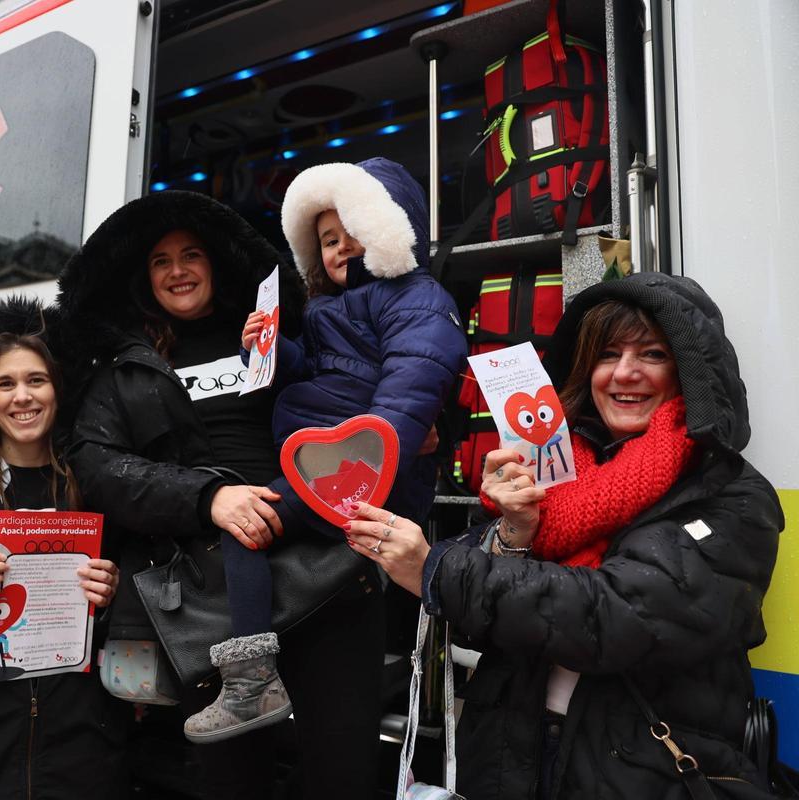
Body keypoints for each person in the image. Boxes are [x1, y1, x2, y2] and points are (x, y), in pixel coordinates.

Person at [345, 272, 784, 799]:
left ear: (688, 370)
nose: (625, 373)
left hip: (644, 774)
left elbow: (618, 618)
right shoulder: (552, 469)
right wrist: (514, 531)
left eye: (651, 354)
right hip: (513, 757)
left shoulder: (731, 494)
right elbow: (471, 629)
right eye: (607, 354)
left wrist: (437, 570)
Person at [57, 189, 384, 799]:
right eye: (160, 261)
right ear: (143, 278)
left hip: (326, 575)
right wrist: (209, 498)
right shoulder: (122, 370)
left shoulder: (281, 335)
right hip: (213, 597)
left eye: (191, 255)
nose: (177, 271)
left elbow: (357, 401)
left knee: (344, 769)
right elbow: (97, 468)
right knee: (232, 777)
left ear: (217, 263)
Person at [190, 157, 466, 740]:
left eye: (353, 231)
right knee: (247, 523)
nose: (340, 248)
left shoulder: (416, 297)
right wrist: (269, 349)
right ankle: (252, 675)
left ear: (390, 227)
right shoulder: (324, 309)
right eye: (327, 240)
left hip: (358, 471)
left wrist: (374, 450)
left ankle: (251, 683)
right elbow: (311, 374)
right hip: (324, 465)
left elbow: (413, 381)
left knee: (247, 524)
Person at [0, 296, 129, 799]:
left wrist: (112, 597)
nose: (23, 397)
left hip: (82, 750)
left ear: (58, 391)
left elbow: (136, 605)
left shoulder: (97, 483)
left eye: (36, 380)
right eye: (5, 383)